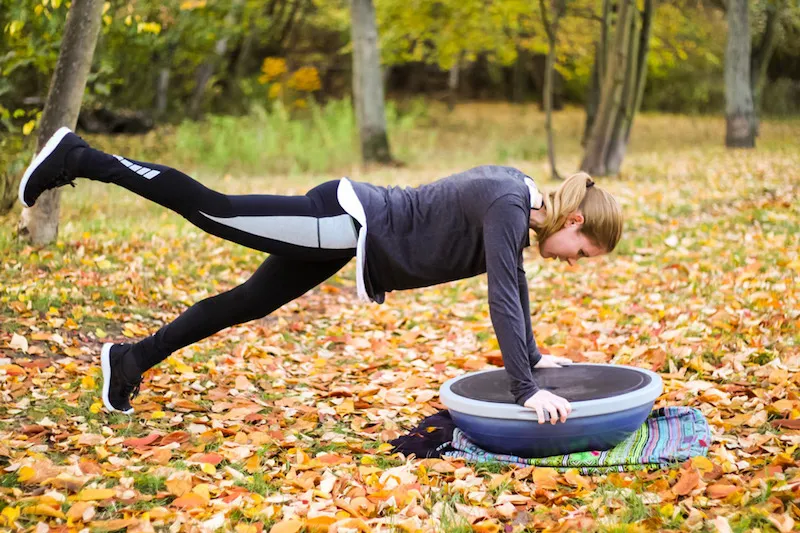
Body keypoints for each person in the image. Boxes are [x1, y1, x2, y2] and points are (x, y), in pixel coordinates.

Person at [19, 127, 622, 425]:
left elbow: (511, 284)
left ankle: (129, 361)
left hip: (345, 235)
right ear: (572, 219)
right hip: (345, 223)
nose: (573, 261)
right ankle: (80, 157)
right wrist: (525, 388)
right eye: (582, 250)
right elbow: (503, 298)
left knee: (244, 303)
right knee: (215, 208)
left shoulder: (517, 209)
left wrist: (535, 358)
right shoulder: (510, 203)